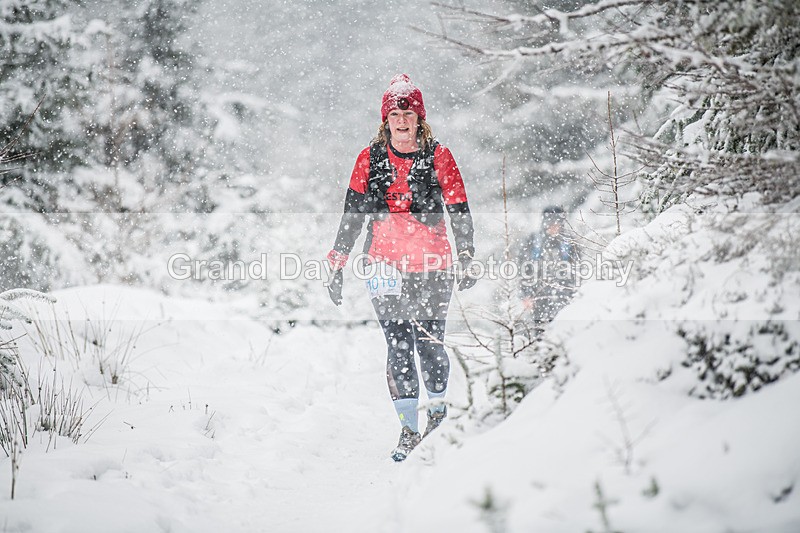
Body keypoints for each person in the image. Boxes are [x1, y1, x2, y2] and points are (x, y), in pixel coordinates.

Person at [326, 74, 475, 462]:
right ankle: (409, 429)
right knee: (398, 342)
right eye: (395, 113)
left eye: (408, 113)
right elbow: (353, 213)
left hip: (432, 262)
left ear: (420, 117)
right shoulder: (369, 158)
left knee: (429, 340)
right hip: (382, 263)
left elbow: (459, 208)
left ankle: (438, 419)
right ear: (386, 120)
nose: (402, 120)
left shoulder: (439, 156)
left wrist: (468, 254)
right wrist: (337, 262)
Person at [518, 206, 578, 336]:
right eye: (551, 223)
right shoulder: (533, 241)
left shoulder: (570, 242)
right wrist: (525, 295)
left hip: (564, 296)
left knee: (565, 334)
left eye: (557, 223)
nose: (554, 226)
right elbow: (523, 270)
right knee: (540, 334)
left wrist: (576, 294)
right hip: (538, 296)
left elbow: (577, 270)